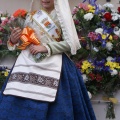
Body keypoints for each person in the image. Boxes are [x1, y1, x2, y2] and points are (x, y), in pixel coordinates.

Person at [0, 0, 96, 119]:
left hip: (56, 65)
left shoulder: (62, 16)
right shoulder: (32, 15)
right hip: (26, 65)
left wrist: (45, 48)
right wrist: (14, 40)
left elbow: (71, 44)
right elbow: (26, 41)